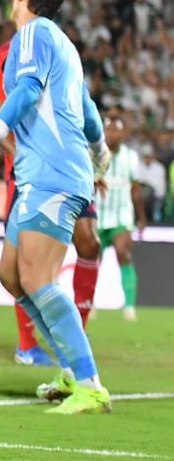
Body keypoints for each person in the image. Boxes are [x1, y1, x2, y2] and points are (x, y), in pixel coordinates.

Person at [0, 0, 112, 414]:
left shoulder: (34, 34)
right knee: (12, 275)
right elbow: (89, 111)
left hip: (53, 173)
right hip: (39, 175)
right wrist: (100, 149)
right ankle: (73, 371)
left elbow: (28, 88)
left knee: (38, 277)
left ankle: (90, 384)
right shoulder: (66, 47)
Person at [0, 38, 102, 367]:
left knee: (90, 243)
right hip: (27, 174)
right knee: (18, 271)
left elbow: (81, 110)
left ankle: (76, 342)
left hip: (67, 167)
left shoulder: (61, 52)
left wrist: (92, 157)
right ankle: (28, 346)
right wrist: (33, 159)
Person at [95, 117, 145, 321]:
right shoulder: (94, 154)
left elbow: (135, 188)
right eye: (108, 130)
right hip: (97, 216)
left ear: (122, 134)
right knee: (91, 259)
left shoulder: (131, 157)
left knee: (123, 253)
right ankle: (89, 302)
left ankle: (130, 306)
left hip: (121, 215)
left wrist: (141, 216)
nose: (112, 134)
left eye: (115, 130)